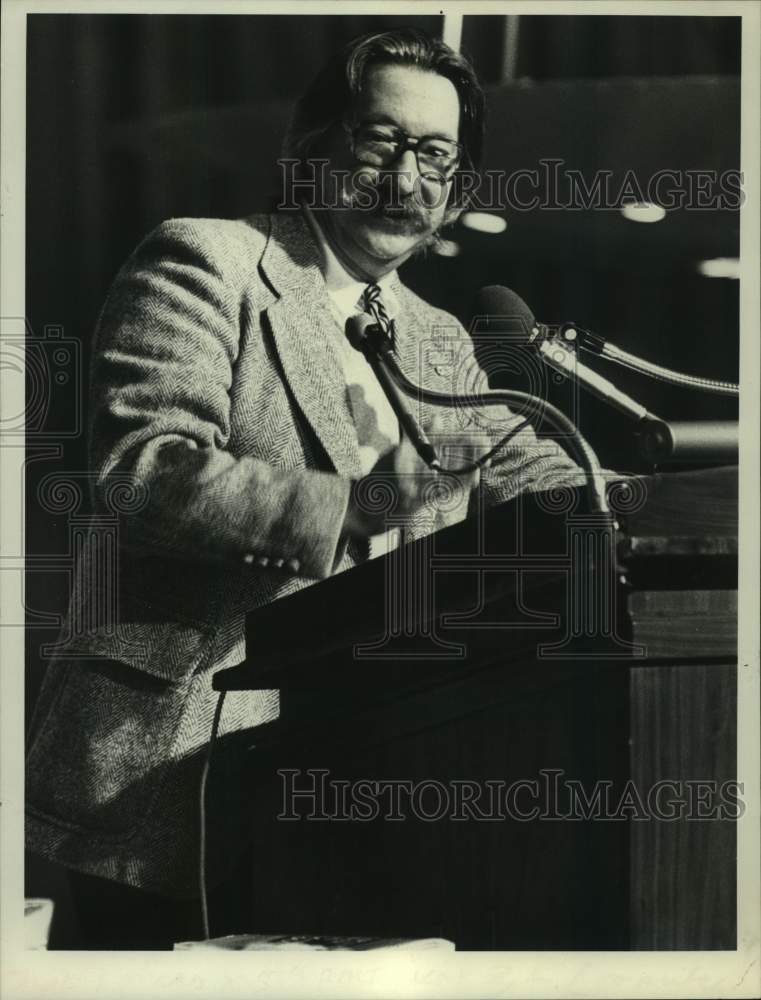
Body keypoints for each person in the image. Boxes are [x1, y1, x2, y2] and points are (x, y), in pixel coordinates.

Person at [25, 28, 581, 949]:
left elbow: (538, 476)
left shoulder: (440, 336)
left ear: (457, 185)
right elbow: (141, 474)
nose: (406, 175)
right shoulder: (208, 261)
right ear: (311, 147)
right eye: (379, 140)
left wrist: (637, 504)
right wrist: (356, 504)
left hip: (368, 768)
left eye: (435, 154)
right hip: (175, 771)